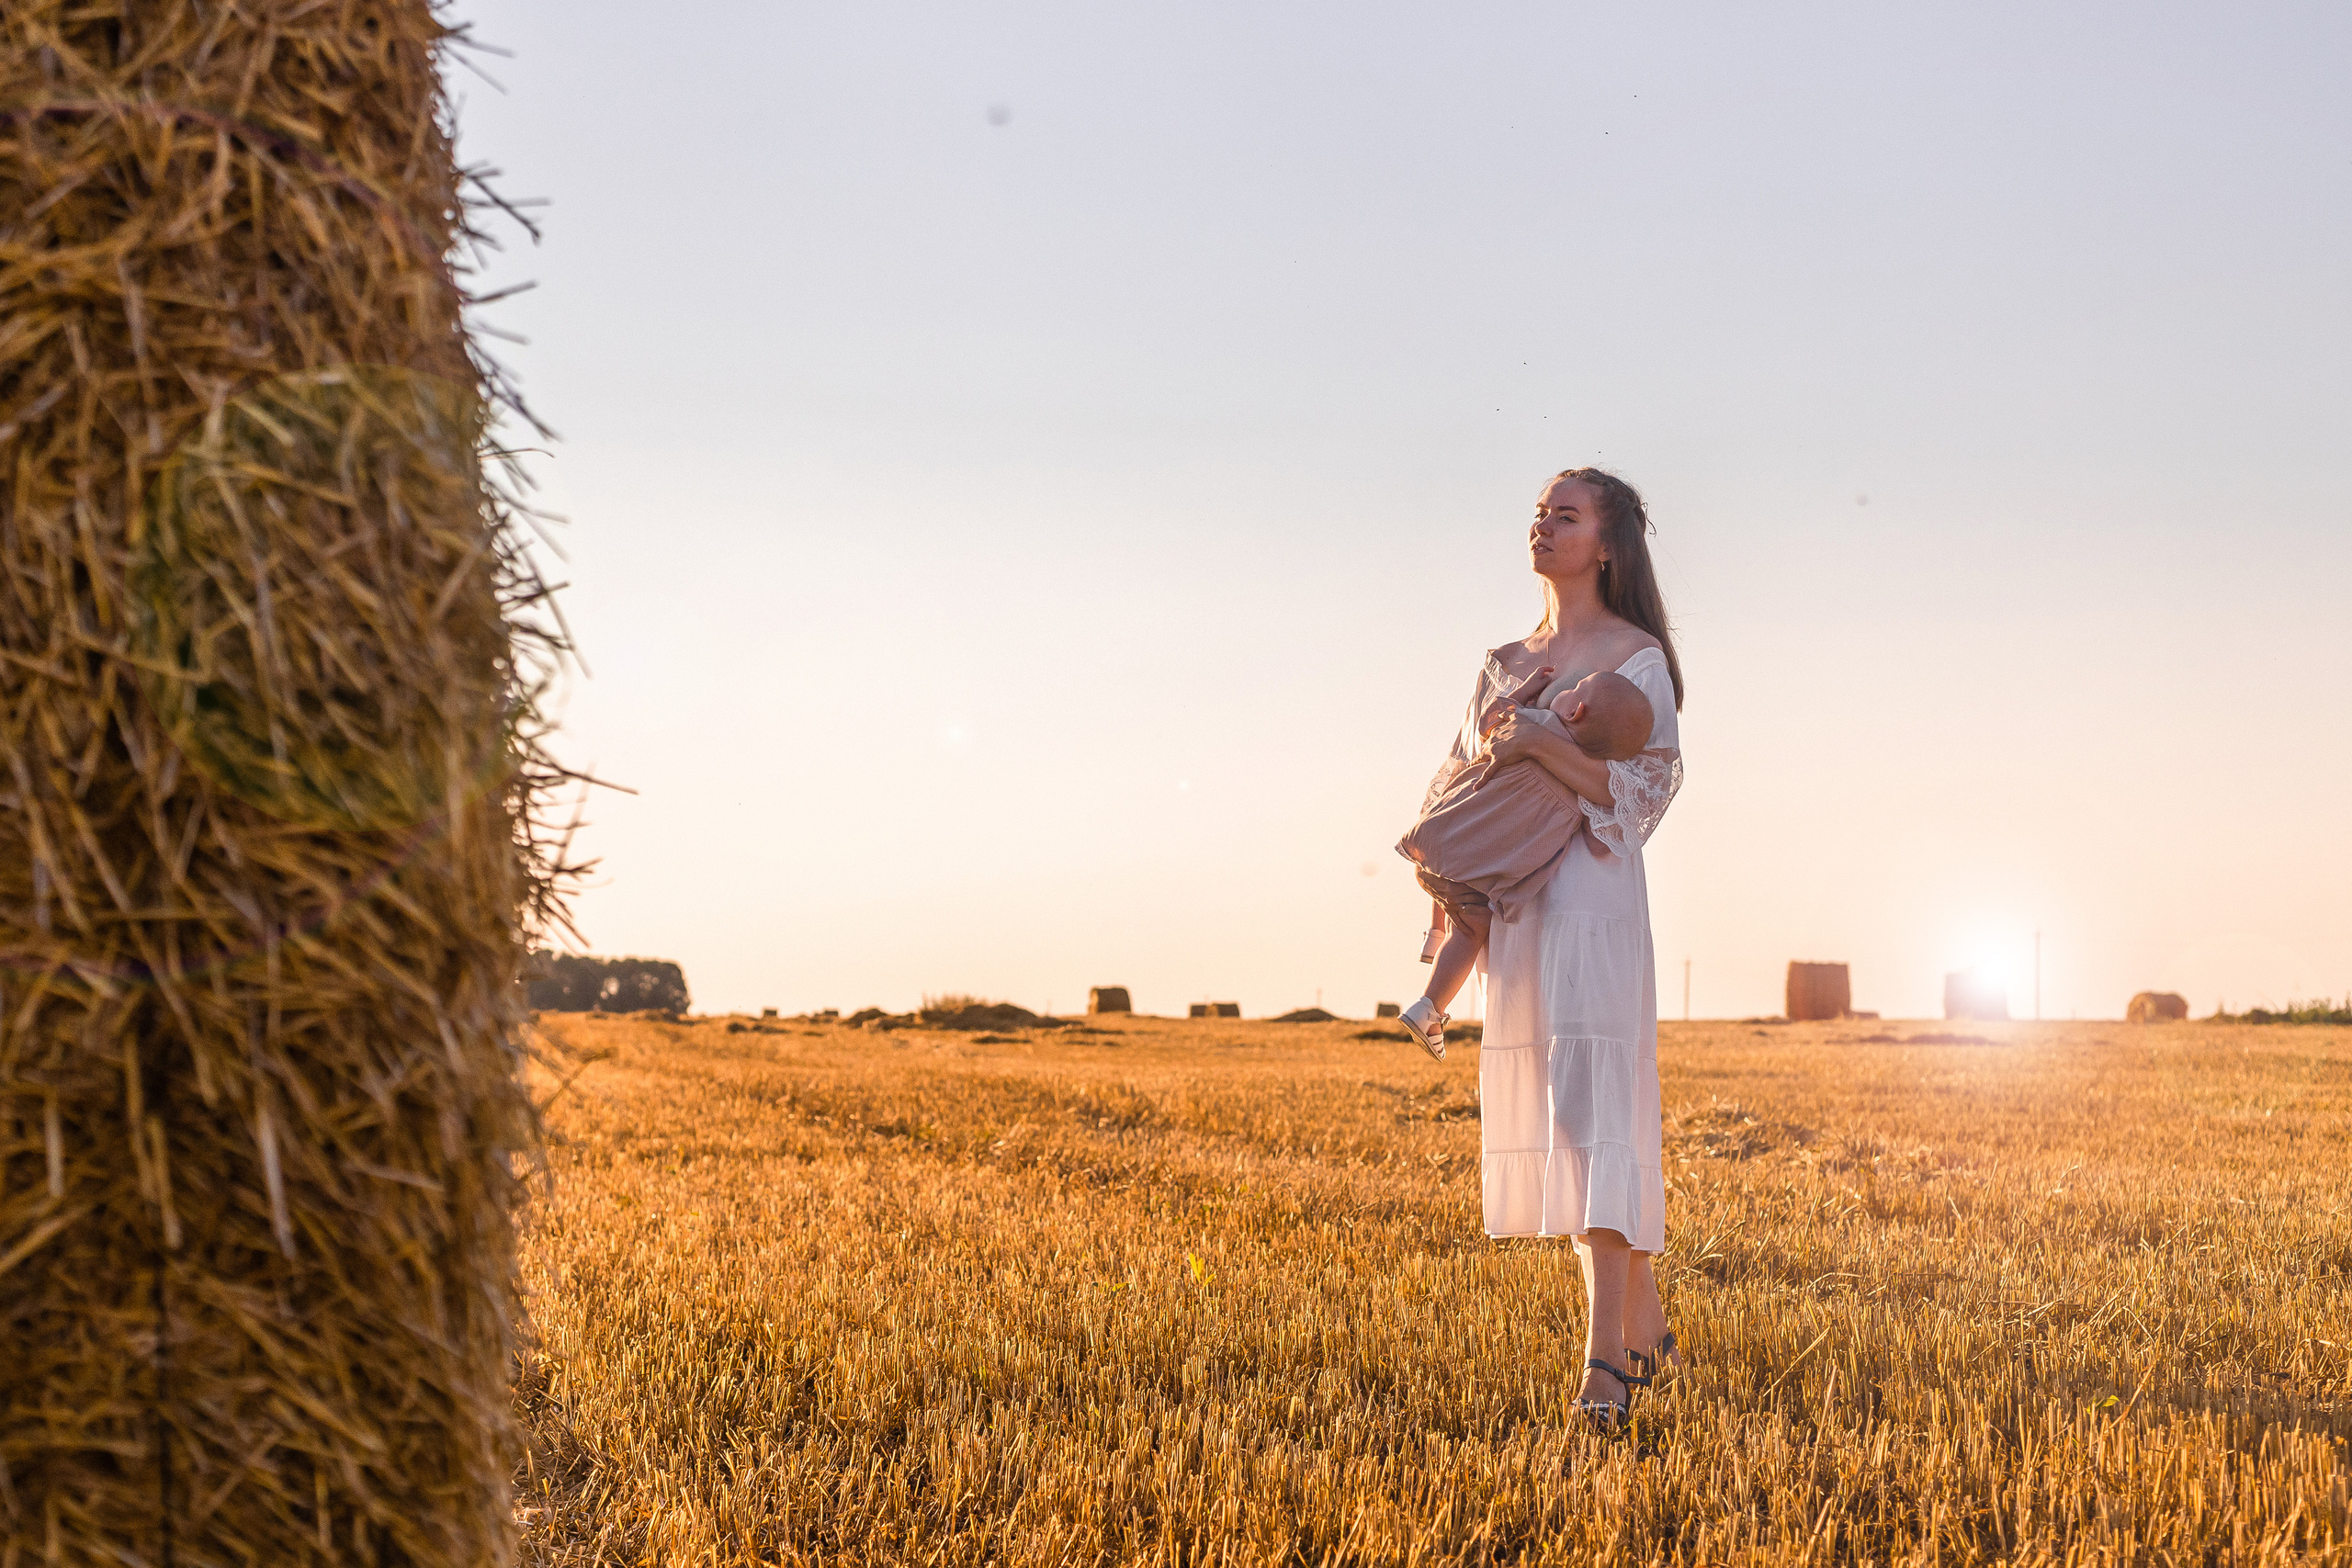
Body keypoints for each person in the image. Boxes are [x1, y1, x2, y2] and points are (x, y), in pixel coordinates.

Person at [1412, 466, 1686, 1430]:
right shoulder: (1499, 659)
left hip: (1595, 899)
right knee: (1570, 1126)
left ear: (1604, 545)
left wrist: (1538, 749)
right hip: (1520, 905)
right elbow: (1456, 780)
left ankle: (1603, 1364)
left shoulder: (1635, 657)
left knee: (1599, 1111)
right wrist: (1446, 882)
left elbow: (1644, 793)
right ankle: (1648, 1334)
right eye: (1538, 512)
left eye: (1563, 516)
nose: (1542, 526)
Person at [1392, 667, 1654, 1057]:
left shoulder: (1535, 723)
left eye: (1576, 687)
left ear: (1575, 710)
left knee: (1453, 872)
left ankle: (1433, 934)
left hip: (1440, 837)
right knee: (1469, 926)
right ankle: (1430, 1007)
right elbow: (1597, 844)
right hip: (1470, 874)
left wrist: (1527, 690)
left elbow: (1489, 724)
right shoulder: (1577, 790)